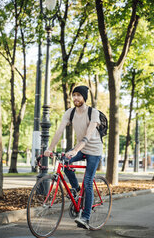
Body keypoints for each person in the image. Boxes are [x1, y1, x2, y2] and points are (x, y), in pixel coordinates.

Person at [44, 85, 102, 229]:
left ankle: (86, 218)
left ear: (84, 97)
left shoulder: (93, 112)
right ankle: (76, 190)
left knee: (88, 182)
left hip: (94, 150)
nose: (75, 98)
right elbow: (59, 130)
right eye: (74, 95)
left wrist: (75, 150)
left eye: (78, 95)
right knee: (65, 163)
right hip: (79, 149)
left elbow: (88, 134)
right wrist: (50, 148)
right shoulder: (70, 113)